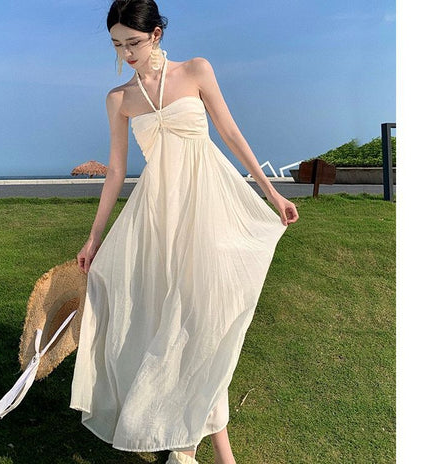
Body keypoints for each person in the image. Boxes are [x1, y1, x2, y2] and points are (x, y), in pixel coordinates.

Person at [71, 1, 299, 463]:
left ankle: (192, 448)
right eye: (117, 45)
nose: (126, 53)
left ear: (155, 34)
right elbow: (116, 171)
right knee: (175, 323)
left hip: (209, 204)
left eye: (133, 42)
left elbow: (229, 132)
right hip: (159, 215)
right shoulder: (119, 99)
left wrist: (272, 193)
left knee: (205, 322)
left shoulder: (196, 70)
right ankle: (193, 449)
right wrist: (94, 237)